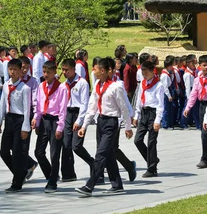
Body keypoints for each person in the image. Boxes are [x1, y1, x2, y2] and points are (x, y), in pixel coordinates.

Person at [76, 58, 134, 197]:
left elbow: (124, 108)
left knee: (100, 154)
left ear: (102, 70)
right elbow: (92, 107)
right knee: (108, 155)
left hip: (111, 123)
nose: (93, 71)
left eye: (95, 69)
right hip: (100, 121)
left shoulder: (116, 87)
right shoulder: (97, 84)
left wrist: (127, 126)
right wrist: (84, 126)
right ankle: (117, 184)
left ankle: (90, 185)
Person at [0, 58, 32, 193]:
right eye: (10, 69)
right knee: (4, 151)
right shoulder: (6, 85)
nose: (12, 72)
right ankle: (20, 173)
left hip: (20, 120)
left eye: (15, 69)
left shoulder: (25, 88)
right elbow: (2, 104)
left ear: (20, 70)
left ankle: (17, 182)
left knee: (18, 152)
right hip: (9, 119)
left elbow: (27, 109)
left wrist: (25, 127)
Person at [32, 60, 67, 193]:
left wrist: (60, 127)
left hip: (55, 120)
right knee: (39, 152)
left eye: (48, 72)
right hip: (44, 120)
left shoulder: (61, 88)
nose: (45, 74)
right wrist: (37, 119)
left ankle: (52, 182)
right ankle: (50, 174)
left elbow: (63, 109)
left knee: (54, 153)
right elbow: (39, 105)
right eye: (44, 72)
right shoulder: (41, 86)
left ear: (54, 73)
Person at [184, 55, 207, 169]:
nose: (206, 67)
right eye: (204, 65)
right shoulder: (198, 79)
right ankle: (206, 158)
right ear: (199, 66)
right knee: (204, 132)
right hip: (202, 106)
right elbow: (193, 94)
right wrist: (188, 107)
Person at [133, 60, 164, 178]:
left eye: (146, 72)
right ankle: (153, 159)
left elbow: (161, 104)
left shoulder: (158, 85)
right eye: (142, 72)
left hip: (153, 113)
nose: (144, 74)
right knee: (138, 140)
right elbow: (139, 100)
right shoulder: (143, 83)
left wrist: (157, 120)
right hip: (144, 112)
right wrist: (136, 115)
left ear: (152, 71)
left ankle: (152, 169)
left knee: (151, 142)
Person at [60, 59, 89, 182]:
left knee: (76, 146)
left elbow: (84, 103)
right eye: (62, 69)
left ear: (73, 69)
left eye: (67, 70)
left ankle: (93, 163)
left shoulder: (82, 83)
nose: (64, 72)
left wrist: (80, 120)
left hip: (78, 113)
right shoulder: (63, 85)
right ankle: (68, 173)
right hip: (67, 113)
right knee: (66, 144)